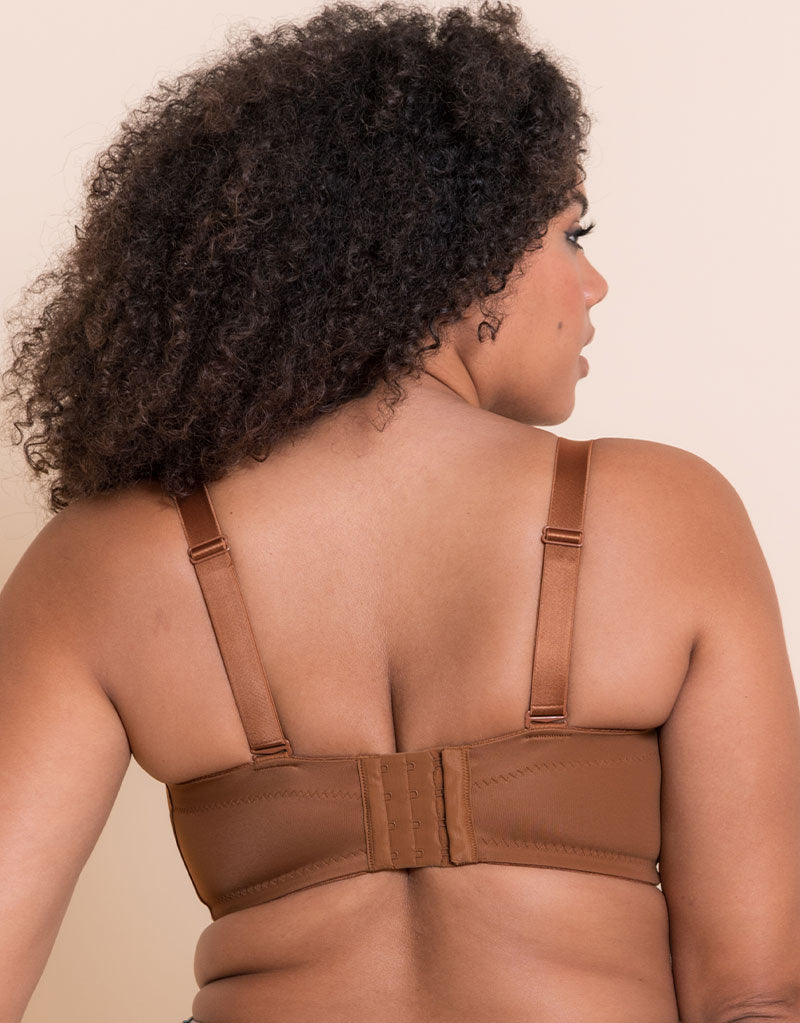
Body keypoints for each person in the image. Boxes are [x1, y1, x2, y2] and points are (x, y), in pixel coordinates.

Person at [1, 2, 799, 1021]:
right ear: (455, 256)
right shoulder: (666, 516)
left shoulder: (102, 564)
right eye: (570, 234)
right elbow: (754, 996)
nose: (592, 283)